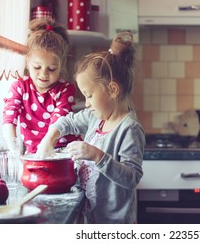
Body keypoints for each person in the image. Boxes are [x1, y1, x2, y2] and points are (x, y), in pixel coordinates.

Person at [36, 32, 145, 224]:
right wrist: (48, 139)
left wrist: (97, 156)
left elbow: (132, 178)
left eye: (89, 95)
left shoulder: (129, 129)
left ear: (112, 90)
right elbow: (67, 121)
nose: (86, 103)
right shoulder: (96, 117)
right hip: (90, 217)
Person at [2, 18, 81, 154]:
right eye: (37, 67)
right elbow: (9, 118)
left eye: (51, 69)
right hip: (34, 153)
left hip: (64, 151)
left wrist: (46, 147)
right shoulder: (19, 87)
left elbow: (58, 122)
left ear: (61, 65)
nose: (43, 74)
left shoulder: (65, 89)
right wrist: (14, 150)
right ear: (27, 61)